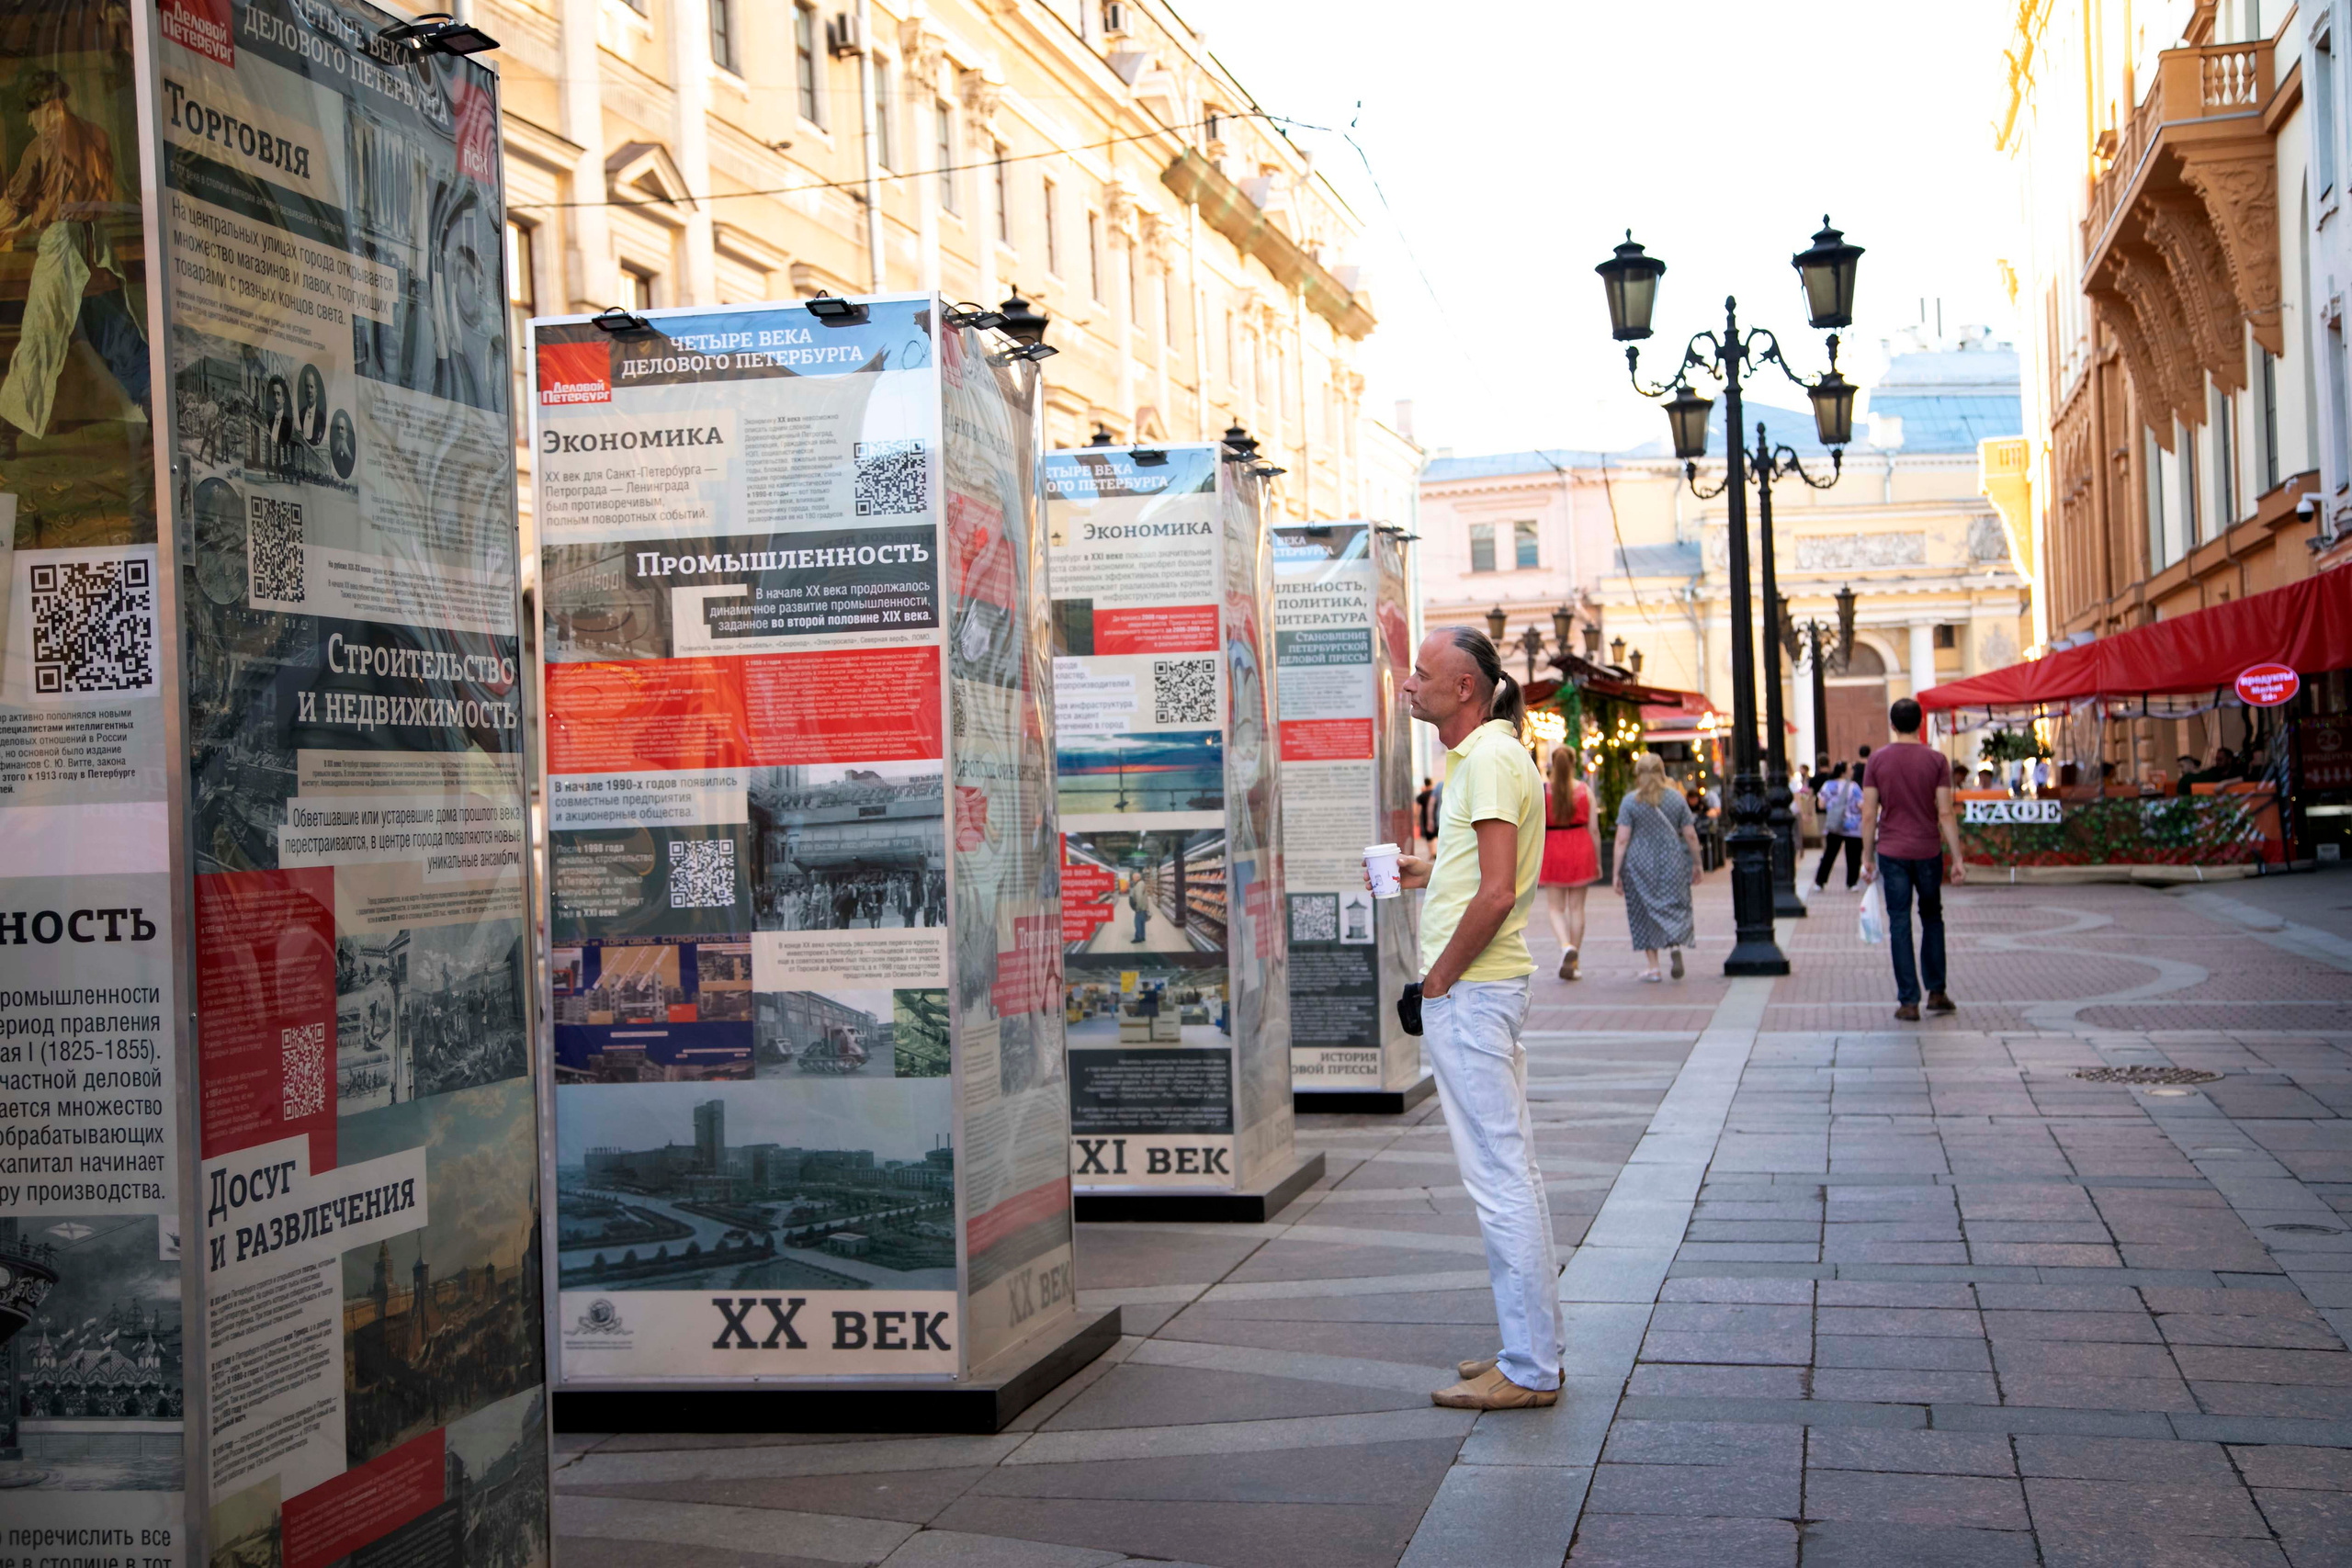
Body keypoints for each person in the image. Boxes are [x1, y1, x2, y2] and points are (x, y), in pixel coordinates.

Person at [1384, 626, 1561, 1412]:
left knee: (1499, 1181)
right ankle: (1528, 1349)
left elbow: (1496, 894)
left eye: (1422, 674)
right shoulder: (1490, 755)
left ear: (1464, 690)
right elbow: (1488, 876)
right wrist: (1428, 869)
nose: (1408, 684)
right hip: (1486, 990)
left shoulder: (1487, 759)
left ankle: (1529, 1368)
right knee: (1509, 1174)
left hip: (1475, 993)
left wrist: (1434, 985)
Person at [0, 72, 149, 449]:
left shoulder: (41, 146)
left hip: (64, 247)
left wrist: (12, 224)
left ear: (47, 105)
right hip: (95, 243)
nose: (28, 121)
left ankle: (8, 428)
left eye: (31, 112)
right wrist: (30, 224)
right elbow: (77, 201)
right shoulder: (98, 135)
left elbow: (16, 202)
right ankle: (153, 403)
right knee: (114, 328)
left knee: (40, 333)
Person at [1860, 698, 1967, 1021]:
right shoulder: (1936, 760)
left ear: (1892, 725)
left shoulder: (1876, 761)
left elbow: (1868, 813)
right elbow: (1945, 812)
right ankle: (1937, 992)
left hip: (1891, 852)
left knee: (1900, 923)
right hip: (1928, 850)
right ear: (1920, 724)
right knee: (1932, 919)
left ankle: (1909, 1001)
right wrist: (1958, 858)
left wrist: (1867, 857)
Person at [1615, 751, 1702, 982]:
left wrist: (1615, 872)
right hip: (1671, 860)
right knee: (1672, 904)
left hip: (1639, 864)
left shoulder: (1630, 801)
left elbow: (1622, 839)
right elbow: (1690, 835)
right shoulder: (1675, 798)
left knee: (1643, 911)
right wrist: (1698, 864)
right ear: (1662, 771)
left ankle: (1653, 967)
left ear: (1638, 774)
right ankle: (1674, 946)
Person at [1538, 745, 1600, 980]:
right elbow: (1593, 829)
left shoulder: (1544, 791)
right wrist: (1596, 860)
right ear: (1574, 764)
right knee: (1577, 909)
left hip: (1553, 846)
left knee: (1555, 908)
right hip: (1580, 847)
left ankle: (1566, 946)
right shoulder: (1584, 790)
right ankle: (1574, 960)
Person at [1813, 761, 1862, 890]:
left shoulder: (1828, 785)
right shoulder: (1854, 787)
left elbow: (1821, 805)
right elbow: (1861, 805)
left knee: (1829, 854)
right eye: (1850, 768)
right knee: (1853, 856)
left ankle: (1820, 881)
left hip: (1834, 825)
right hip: (1853, 826)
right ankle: (1852, 883)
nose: (1853, 770)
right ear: (1844, 772)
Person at [1415, 776, 1440, 855]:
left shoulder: (1422, 795)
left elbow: (1417, 808)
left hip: (1426, 818)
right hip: (1435, 817)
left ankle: (1431, 852)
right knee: (1436, 835)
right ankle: (1435, 851)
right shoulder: (1435, 792)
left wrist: (1417, 818)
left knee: (1428, 837)